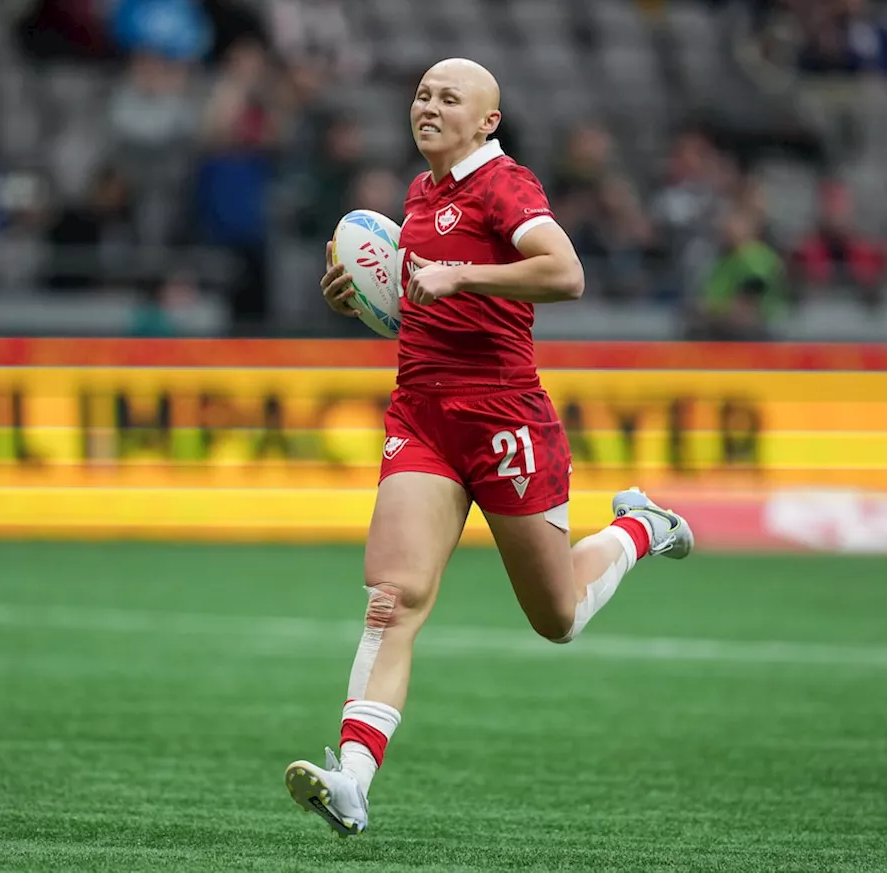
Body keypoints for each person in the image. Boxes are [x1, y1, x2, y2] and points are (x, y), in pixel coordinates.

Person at [283, 58, 695, 838]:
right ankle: (352, 778)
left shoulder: (508, 185)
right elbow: (421, 299)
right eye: (422, 95)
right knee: (391, 599)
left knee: (558, 617)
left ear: (488, 123)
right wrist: (367, 297)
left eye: (449, 98)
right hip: (424, 418)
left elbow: (566, 272)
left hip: (505, 422)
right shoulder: (420, 193)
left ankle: (641, 527)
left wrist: (460, 276)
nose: (429, 106)